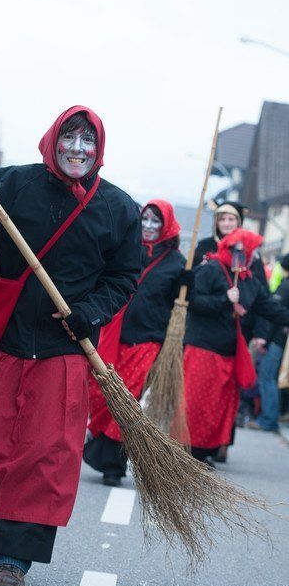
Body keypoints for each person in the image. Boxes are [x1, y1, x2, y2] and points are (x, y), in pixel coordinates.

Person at [0, 106, 141, 586]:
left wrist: (89, 312)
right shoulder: (10, 184)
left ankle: (13, 562)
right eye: (69, 137)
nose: (78, 149)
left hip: (62, 351)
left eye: (88, 141)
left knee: (46, 456)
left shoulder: (119, 210)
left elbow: (123, 278)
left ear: (99, 149)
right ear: (53, 140)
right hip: (3, 342)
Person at [85, 200, 187, 486]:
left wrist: (190, 283)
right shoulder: (128, 248)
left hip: (147, 340)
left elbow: (183, 303)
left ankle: (113, 464)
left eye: (156, 221)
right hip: (114, 333)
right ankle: (99, 443)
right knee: (100, 391)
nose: (149, 226)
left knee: (126, 397)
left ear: (166, 225)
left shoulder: (178, 263)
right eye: (146, 219)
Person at [183, 229, 289, 466]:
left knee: (218, 406)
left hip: (228, 351)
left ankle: (203, 452)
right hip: (203, 348)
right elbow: (193, 302)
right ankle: (188, 451)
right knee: (196, 403)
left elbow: (270, 308)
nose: (253, 256)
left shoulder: (249, 280)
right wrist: (225, 299)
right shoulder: (211, 269)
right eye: (251, 251)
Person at [248, 253, 289, 432]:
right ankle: (272, 415)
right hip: (281, 338)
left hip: (276, 339)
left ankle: (268, 419)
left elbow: (274, 314)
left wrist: (265, 339)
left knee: (267, 376)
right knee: (271, 377)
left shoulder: (285, 286)